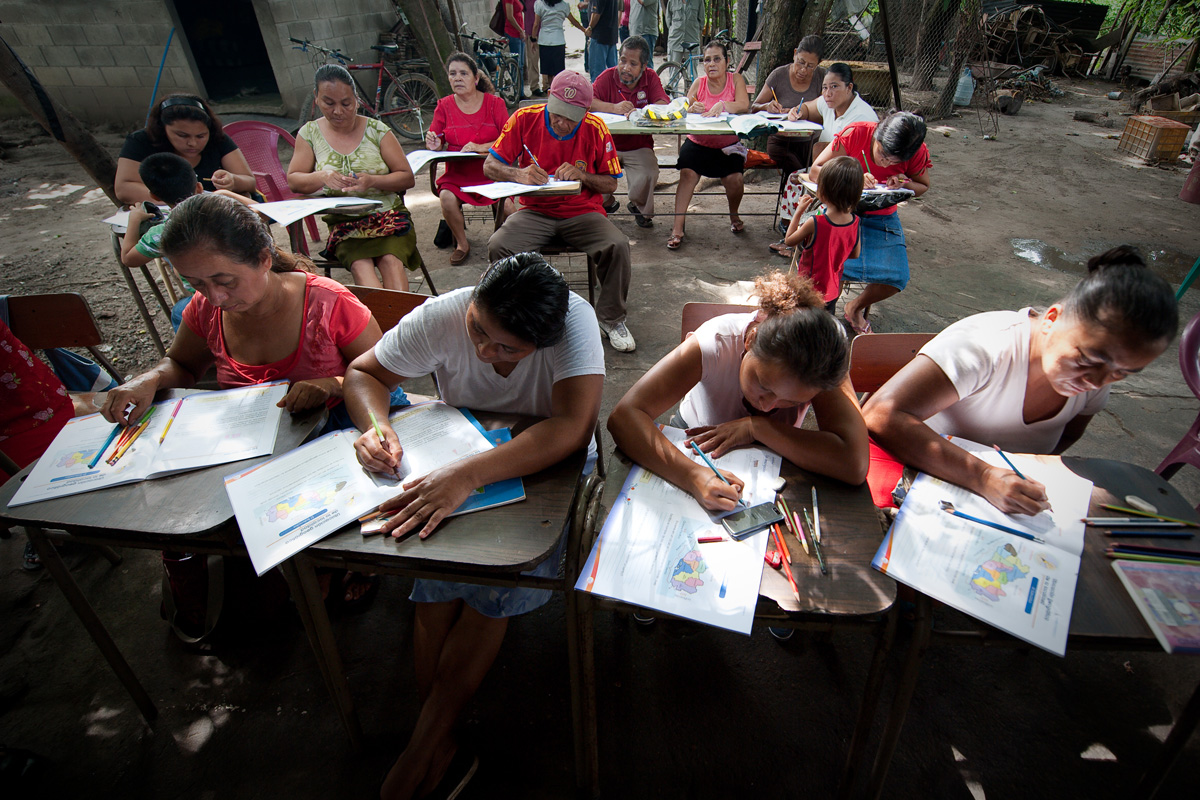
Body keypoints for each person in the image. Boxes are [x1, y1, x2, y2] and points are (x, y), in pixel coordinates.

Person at [343, 253, 605, 800]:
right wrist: (374, 425)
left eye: (508, 348)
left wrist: (467, 476)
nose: (486, 353)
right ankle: (434, 740)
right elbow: (365, 373)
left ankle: (423, 749)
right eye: (478, 331)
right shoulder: (443, 313)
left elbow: (572, 428)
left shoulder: (574, 323)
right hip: (457, 451)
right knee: (436, 588)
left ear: (543, 341)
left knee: (490, 587)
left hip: (543, 467)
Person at [100, 193, 398, 605]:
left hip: (328, 446)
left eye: (224, 281)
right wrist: (147, 380)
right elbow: (181, 365)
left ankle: (334, 563)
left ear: (261, 258)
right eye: (196, 284)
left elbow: (383, 376)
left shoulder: (327, 302)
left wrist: (332, 382)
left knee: (313, 556)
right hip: (246, 453)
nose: (214, 296)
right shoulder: (205, 310)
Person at [862, 246, 1178, 515]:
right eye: (1086, 359)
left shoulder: (1095, 380)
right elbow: (880, 414)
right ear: (1052, 319)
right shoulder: (987, 346)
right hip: (911, 474)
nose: (1097, 381)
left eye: (1121, 373)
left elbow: (1063, 441)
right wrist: (984, 477)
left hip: (987, 501)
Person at [609, 269, 868, 515]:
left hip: (773, 454)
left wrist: (758, 427)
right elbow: (624, 417)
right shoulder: (715, 342)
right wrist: (692, 475)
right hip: (697, 438)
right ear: (750, 340)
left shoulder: (822, 362)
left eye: (792, 401)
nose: (768, 406)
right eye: (763, 385)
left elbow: (854, 463)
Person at [484, 71, 636, 353]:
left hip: (582, 213)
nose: (561, 122)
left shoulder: (595, 127)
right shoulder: (524, 118)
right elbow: (489, 165)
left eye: (570, 117)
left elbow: (611, 182)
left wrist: (583, 176)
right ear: (550, 100)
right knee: (500, 245)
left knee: (617, 245)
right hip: (534, 210)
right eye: (557, 113)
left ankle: (611, 319)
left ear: (584, 112)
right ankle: (518, 314)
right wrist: (519, 174)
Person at [287, 65, 423, 291]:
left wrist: (372, 180)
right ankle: (381, 321)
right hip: (345, 225)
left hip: (389, 218)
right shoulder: (309, 134)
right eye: (329, 103)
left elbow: (406, 177)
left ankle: (399, 321)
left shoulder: (377, 130)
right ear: (316, 98)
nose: (338, 111)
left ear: (356, 100)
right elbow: (294, 181)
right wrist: (323, 175)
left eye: (346, 103)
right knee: (360, 265)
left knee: (391, 261)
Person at [809, 112, 930, 334]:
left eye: (896, 161)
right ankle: (820, 318)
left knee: (897, 276)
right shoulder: (856, 133)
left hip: (882, 216)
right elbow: (816, 171)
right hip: (841, 210)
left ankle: (855, 306)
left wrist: (906, 182)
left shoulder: (916, 151)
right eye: (883, 153)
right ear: (877, 134)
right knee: (825, 266)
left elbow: (923, 185)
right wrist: (852, 178)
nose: (886, 163)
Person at [772, 62, 879, 258]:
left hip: (848, 176)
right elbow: (807, 107)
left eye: (834, 86)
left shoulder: (862, 117)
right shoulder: (828, 103)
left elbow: (859, 161)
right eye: (825, 87)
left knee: (808, 188)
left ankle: (802, 239)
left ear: (849, 87)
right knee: (795, 179)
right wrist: (798, 111)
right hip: (825, 169)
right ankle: (789, 233)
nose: (828, 93)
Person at [425, 53, 511, 266]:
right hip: (458, 174)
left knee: (510, 208)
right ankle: (462, 244)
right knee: (446, 196)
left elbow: (509, 138)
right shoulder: (443, 105)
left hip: (492, 171)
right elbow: (437, 137)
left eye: (463, 73)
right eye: (452, 74)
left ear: (475, 78)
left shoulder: (495, 104)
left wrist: (479, 147)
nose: (457, 78)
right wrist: (434, 142)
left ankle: (502, 244)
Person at [667, 40, 751, 250]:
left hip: (728, 145)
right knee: (687, 174)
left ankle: (734, 216)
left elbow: (743, 105)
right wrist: (692, 107)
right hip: (698, 142)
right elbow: (683, 108)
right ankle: (677, 228)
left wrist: (723, 105)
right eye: (707, 60)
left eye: (717, 59)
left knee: (735, 179)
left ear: (727, 61)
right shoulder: (699, 83)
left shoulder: (736, 80)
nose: (711, 64)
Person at [115, 94, 258, 206]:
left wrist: (233, 180)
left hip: (218, 212)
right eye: (182, 135)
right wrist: (178, 199)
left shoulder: (217, 138)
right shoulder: (140, 141)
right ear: (162, 129)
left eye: (201, 136)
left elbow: (250, 181)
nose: (193, 143)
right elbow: (123, 188)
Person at [590, 35, 669, 227]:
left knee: (648, 172)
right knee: (588, 168)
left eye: (633, 64)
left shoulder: (651, 77)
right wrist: (613, 107)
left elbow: (663, 104)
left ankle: (638, 206)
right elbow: (588, 101)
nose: (625, 68)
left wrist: (642, 112)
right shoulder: (607, 77)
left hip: (638, 146)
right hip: (607, 146)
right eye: (622, 61)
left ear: (644, 66)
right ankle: (605, 202)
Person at [784, 155, 862, 312]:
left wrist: (798, 211)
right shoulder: (855, 221)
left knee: (802, 326)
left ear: (824, 191)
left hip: (808, 290)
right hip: (832, 290)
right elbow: (855, 254)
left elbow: (789, 240)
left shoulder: (816, 222)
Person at [751, 36, 826, 180]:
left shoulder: (823, 77)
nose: (803, 70)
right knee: (799, 176)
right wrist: (767, 106)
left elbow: (827, 108)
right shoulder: (779, 75)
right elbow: (754, 107)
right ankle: (798, 201)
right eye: (800, 62)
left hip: (811, 142)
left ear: (818, 64)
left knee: (813, 176)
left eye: (810, 66)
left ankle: (798, 202)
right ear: (795, 53)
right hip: (781, 142)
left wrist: (802, 111)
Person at [532, 0, 587, 96]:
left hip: (545, 41)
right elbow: (573, 21)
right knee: (558, 71)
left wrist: (533, 39)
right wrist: (584, 30)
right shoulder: (564, 6)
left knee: (548, 70)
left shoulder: (539, 4)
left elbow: (536, 24)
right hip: (558, 40)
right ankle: (558, 92)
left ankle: (551, 91)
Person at [586, 0, 620, 82]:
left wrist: (590, 27)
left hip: (600, 36)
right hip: (611, 35)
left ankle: (598, 94)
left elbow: (596, 13)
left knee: (597, 74)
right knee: (613, 72)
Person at [503, 0, 528, 100]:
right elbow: (510, 16)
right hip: (513, 33)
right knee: (516, 65)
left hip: (519, 33)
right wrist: (520, 30)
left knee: (520, 65)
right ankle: (518, 93)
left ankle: (520, 92)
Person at [666, 0, 704, 65]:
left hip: (692, 40)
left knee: (692, 72)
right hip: (675, 40)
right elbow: (668, 20)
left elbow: (701, 21)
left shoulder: (698, 1)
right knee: (673, 70)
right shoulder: (672, 1)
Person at [629, 0, 660, 68]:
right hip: (635, 31)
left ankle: (649, 79)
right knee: (634, 62)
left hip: (647, 32)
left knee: (646, 62)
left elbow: (643, 2)